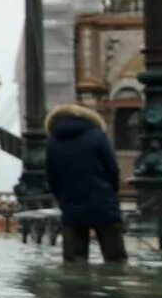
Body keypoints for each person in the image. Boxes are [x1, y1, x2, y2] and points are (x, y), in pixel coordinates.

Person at [45, 102, 127, 263]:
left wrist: (62, 197)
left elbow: (51, 177)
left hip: (71, 205)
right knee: (115, 259)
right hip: (103, 202)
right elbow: (112, 170)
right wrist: (111, 193)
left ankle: (78, 287)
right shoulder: (98, 136)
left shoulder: (53, 142)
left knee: (74, 262)